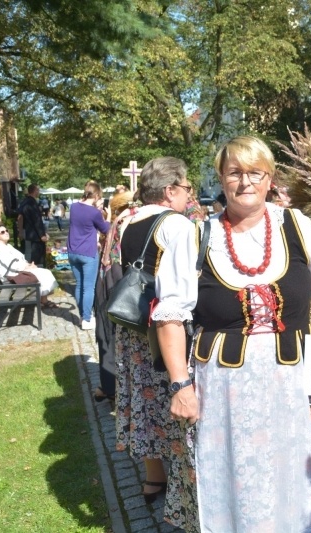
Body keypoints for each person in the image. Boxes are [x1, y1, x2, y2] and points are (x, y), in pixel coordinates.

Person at [158, 136, 311, 533]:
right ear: (221, 179)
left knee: (292, 471)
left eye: (255, 173)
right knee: (232, 471)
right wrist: (180, 385)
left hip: (293, 382)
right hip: (224, 386)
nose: (245, 182)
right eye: (234, 173)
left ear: (270, 179)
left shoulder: (296, 225)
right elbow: (170, 315)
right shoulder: (195, 236)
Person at [114, 157, 198, 518]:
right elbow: (183, 285)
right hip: (163, 328)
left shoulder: (129, 221)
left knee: (143, 396)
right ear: (170, 190)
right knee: (172, 400)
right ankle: (182, 480)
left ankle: (153, 476)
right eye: (187, 187)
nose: (190, 194)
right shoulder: (175, 224)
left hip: (133, 324)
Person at [93, 191, 136, 404]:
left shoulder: (114, 223)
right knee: (114, 333)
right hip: (117, 281)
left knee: (107, 334)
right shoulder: (127, 221)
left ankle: (109, 386)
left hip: (106, 280)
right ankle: (113, 387)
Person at [67, 181, 110, 330]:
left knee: (79, 285)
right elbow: (106, 229)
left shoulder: (73, 207)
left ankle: (83, 315)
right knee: (88, 288)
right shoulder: (94, 213)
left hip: (73, 251)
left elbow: (83, 216)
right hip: (88, 253)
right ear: (97, 195)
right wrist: (108, 216)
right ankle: (86, 319)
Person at [0, 224, 58, 307]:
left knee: (45, 272)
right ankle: (43, 300)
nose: (6, 233)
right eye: (2, 232)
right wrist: (27, 267)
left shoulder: (7, 246)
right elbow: (11, 264)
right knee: (43, 274)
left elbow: (20, 257)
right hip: (10, 277)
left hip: (16, 273)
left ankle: (43, 300)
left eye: (6, 230)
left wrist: (28, 265)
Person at [17, 183, 49, 266]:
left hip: (27, 233)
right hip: (34, 236)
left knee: (28, 254)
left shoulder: (24, 202)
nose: (39, 192)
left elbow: (20, 217)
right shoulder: (32, 203)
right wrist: (42, 235)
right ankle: (34, 270)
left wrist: (20, 231)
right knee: (35, 258)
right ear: (35, 191)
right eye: (38, 190)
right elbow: (37, 220)